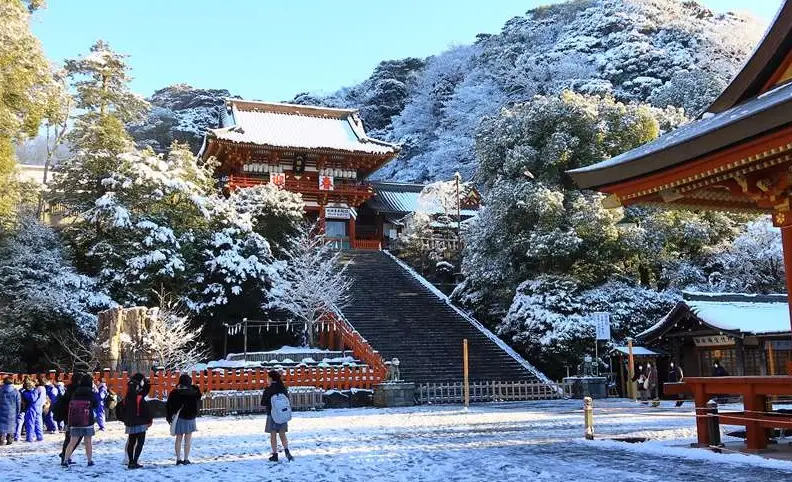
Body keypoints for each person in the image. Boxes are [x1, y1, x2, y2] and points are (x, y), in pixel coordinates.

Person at [61, 374, 98, 467]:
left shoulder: (76, 392)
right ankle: (89, 460)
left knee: (72, 441)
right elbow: (95, 404)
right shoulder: (90, 392)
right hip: (88, 420)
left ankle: (65, 460)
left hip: (75, 420)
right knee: (88, 441)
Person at [166, 374, 202, 465]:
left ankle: (178, 459)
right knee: (188, 440)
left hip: (180, 417)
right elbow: (199, 397)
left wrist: (169, 417)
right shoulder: (194, 391)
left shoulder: (175, 392)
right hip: (190, 417)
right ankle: (186, 458)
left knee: (178, 439)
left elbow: (169, 405)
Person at [119, 373, 153, 470]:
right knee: (140, 443)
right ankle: (135, 460)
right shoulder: (139, 397)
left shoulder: (128, 396)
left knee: (131, 442)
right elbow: (146, 410)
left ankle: (130, 461)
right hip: (140, 422)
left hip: (130, 422)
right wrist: (149, 420)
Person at [260, 370, 293, 462]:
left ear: (270, 378)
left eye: (267, 377)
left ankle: (275, 455)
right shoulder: (283, 387)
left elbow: (263, 403)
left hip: (272, 414)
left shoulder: (269, 389)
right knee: (282, 434)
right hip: (282, 414)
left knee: (273, 435)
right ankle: (287, 451)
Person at [54, 374, 83, 465]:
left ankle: (66, 455)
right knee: (74, 438)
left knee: (69, 438)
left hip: (68, 416)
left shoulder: (69, 388)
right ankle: (65, 455)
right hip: (74, 416)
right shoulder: (77, 390)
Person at [20, 378, 44, 442]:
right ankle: (40, 437)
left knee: (30, 423)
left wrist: (25, 393)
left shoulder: (35, 390)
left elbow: (33, 398)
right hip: (39, 407)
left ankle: (29, 438)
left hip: (32, 407)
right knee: (38, 422)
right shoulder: (42, 389)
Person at [0, 377, 21, 445]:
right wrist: (18, 412)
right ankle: (9, 441)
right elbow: (18, 403)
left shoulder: (1, 391)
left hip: (1, 412)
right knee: (11, 427)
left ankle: (1, 440)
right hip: (12, 412)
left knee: (1, 428)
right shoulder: (16, 392)